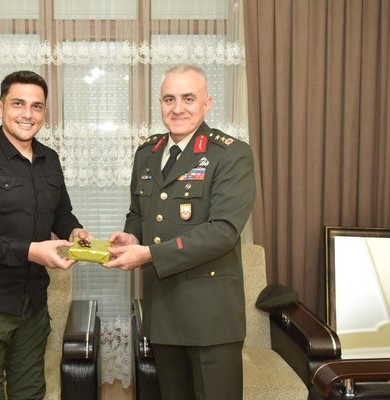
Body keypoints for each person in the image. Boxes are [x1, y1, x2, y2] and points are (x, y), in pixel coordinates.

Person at [104, 64, 255, 400]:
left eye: (188, 98)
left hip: (211, 316)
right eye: (169, 99)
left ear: (207, 103)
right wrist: (132, 238)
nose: (177, 108)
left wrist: (148, 253)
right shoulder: (147, 153)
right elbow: (138, 213)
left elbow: (223, 231)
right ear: (160, 103)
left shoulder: (230, 154)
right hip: (163, 310)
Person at [0, 70, 90, 400]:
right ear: (0, 107)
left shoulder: (49, 159)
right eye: (18, 104)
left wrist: (75, 230)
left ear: (44, 112)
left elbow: (61, 213)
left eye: (37, 106)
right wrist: (31, 251)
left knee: (30, 393)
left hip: (32, 304)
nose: (28, 114)